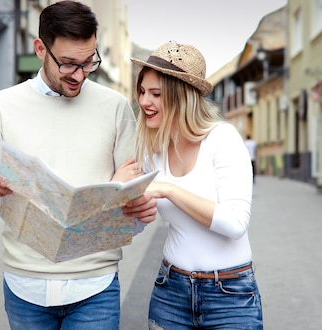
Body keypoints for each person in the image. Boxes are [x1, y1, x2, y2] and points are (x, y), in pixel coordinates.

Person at [0, 1, 157, 329]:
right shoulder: (1, 106)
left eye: (88, 62)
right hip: (24, 285)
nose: (79, 74)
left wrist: (140, 206)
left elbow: (135, 195)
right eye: (68, 64)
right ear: (40, 49)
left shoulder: (115, 107)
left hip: (96, 285)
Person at [131, 41, 263, 329]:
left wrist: (169, 189)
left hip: (230, 296)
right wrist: (124, 204)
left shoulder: (223, 139)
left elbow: (235, 223)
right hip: (170, 291)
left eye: (155, 94)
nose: (144, 102)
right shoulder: (153, 151)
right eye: (142, 92)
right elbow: (135, 226)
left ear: (181, 97)